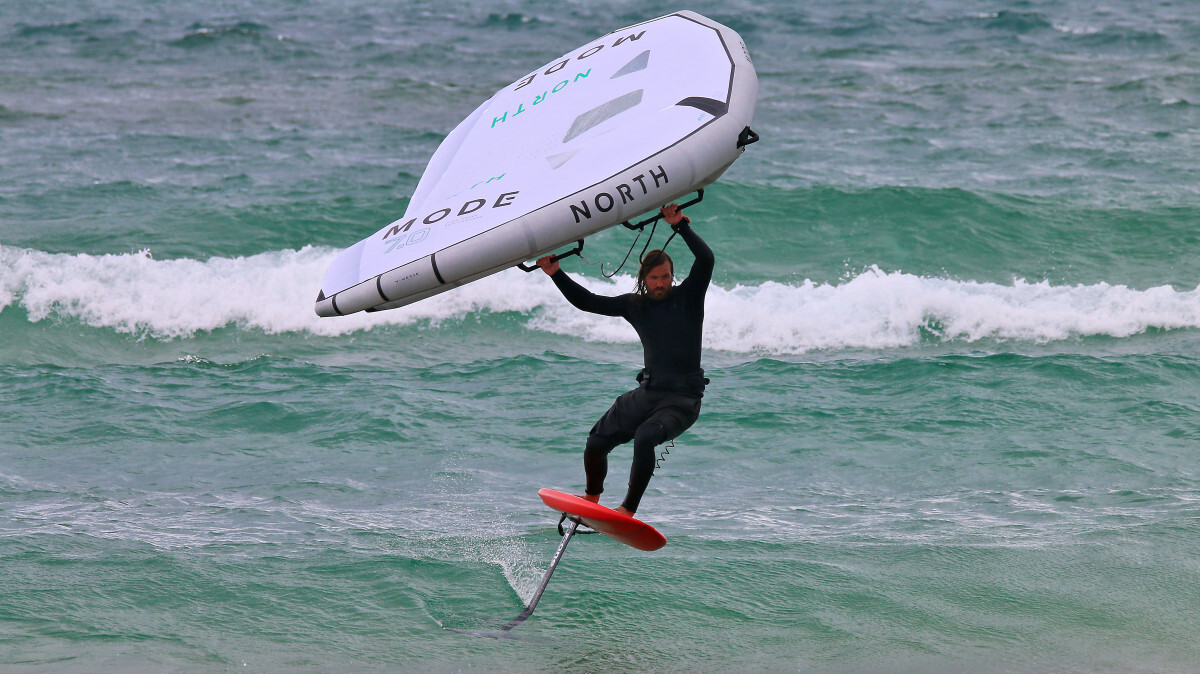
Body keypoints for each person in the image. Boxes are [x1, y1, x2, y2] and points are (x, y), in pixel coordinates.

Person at [536, 203, 713, 517]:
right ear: (644, 278)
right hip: (648, 393)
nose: (661, 283)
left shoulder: (688, 297)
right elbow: (588, 301)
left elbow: (706, 259)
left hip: (682, 399)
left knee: (646, 437)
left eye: (666, 277)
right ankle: (591, 498)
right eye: (655, 278)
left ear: (673, 276)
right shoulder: (635, 305)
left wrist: (680, 225)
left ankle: (627, 510)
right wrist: (556, 274)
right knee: (596, 442)